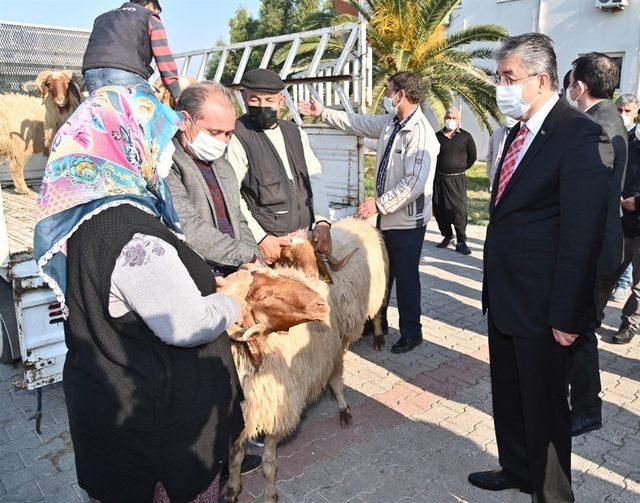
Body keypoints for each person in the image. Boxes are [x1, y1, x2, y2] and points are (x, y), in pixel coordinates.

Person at [33, 86, 246, 503]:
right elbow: (186, 324)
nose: (165, 152)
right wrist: (233, 301)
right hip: (158, 435)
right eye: (158, 139)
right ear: (126, 141)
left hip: (112, 420)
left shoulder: (85, 217)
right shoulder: (130, 231)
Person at [469, 34, 611, 502]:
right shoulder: (517, 132)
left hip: (545, 306)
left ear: (542, 79)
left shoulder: (578, 133)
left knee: (546, 408)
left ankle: (551, 493)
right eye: (499, 77)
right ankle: (518, 468)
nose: (500, 86)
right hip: (506, 296)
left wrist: (569, 316)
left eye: (508, 78)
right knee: (508, 396)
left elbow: (582, 236)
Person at [298, 71, 439, 354]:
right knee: (384, 273)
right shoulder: (392, 122)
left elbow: (413, 183)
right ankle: (379, 324)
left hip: (408, 220)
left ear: (402, 94)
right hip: (389, 217)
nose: (386, 97)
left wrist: (378, 204)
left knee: (406, 276)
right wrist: (323, 112)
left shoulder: (421, 132)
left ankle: (412, 332)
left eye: (389, 92)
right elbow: (357, 122)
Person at [565, 52, 627, 436]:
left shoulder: (595, 128)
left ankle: (587, 410)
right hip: (602, 245)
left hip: (594, 251)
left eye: (570, 80)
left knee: (580, 331)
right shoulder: (612, 119)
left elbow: (584, 201)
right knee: (580, 329)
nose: (567, 87)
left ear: (581, 86)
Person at [226, 69, 331, 264]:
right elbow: (232, 194)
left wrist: (323, 221)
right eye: (255, 100)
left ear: (281, 100)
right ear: (244, 97)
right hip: (268, 248)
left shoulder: (295, 133)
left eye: (269, 100)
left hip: (302, 242)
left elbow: (314, 178)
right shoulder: (237, 136)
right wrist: (261, 238)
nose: (262, 105)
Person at [165, 81, 260, 276]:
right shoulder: (167, 163)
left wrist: (255, 259)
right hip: (196, 275)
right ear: (185, 121)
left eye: (228, 134)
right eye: (214, 132)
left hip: (235, 270)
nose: (222, 141)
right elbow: (188, 226)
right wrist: (247, 257)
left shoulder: (222, 164)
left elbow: (238, 220)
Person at [82, 1, 181, 101]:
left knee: (104, 113)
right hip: (124, 74)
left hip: (91, 74)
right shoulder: (150, 17)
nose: (157, 13)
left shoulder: (102, 18)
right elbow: (163, 57)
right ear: (150, 3)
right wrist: (177, 94)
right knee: (152, 112)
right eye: (157, 10)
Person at [433, 107, 477, 255]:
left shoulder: (466, 136)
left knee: (459, 210)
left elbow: (472, 157)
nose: (450, 120)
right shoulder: (437, 136)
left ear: (459, 121)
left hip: (457, 179)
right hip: (439, 179)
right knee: (439, 209)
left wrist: (459, 168)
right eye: (448, 117)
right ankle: (447, 235)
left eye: (454, 118)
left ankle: (461, 241)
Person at [614, 93, 640, 344]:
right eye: (619, 109)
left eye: (628, 111)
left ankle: (629, 323)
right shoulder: (616, 137)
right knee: (606, 271)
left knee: (639, 286)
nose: (623, 115)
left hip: (637, 219)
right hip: (616, 218)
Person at [486, 117, 518, 188]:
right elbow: (489, 157)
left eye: (512, 116)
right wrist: (490, 175)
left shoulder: (523, 132)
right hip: (497, 177)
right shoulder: (497, 134)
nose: (509, 117)